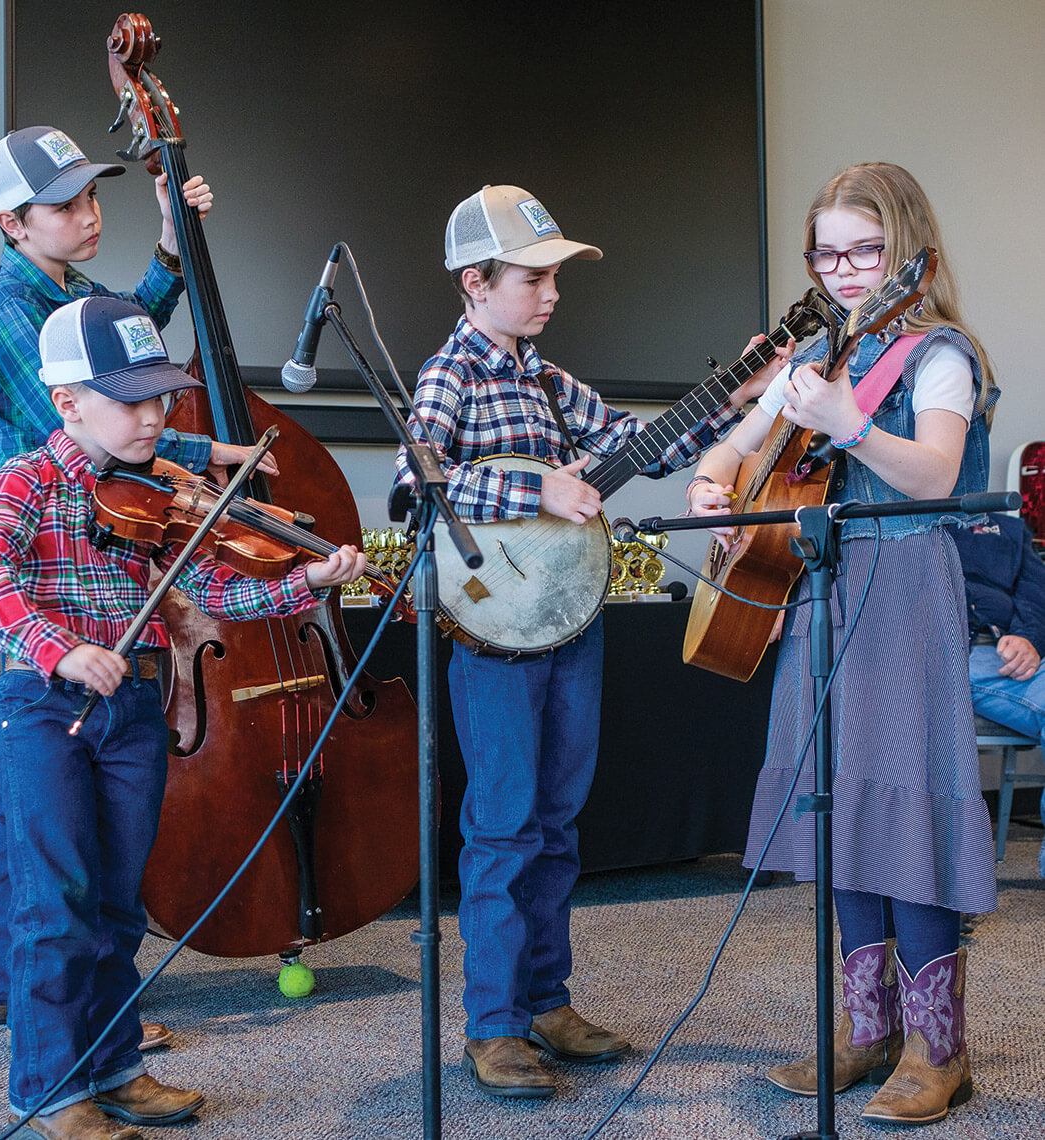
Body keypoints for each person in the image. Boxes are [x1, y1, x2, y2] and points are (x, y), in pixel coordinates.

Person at [393, 184, 782, 1099]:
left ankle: (546, 1000)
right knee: (502, 828)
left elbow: (647, 446)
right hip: (496, 640)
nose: (553, 293)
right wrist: (537, 494)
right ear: (474, 282)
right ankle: (493, 1027)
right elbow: (418, 493)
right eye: (534, 278)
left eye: (555, 277)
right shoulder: (451, 375)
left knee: (559, 823)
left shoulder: (548, 380)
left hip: (572, 625)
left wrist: (746, 389)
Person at [0, 295, 367, 1140]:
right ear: (69, 401)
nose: (153, 417)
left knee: (116, 901)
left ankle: (112, 1065)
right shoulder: (26, 481)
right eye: (131, 400)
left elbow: (212, 588)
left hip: (136, 706)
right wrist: (60, 649)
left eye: (158, 398)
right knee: (55, 901)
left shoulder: (149, 492)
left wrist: (307, 585)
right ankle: (47, 1086)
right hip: (46, 708)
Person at [687, 161, 1000, 1126]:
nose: (846, 268)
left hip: (905, 586)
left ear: (907, 250)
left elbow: (934, 473)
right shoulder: (814, 362)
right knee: (840, 805)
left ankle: (936, 1051)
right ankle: (866, 1032)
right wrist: (714, 488)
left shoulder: (939, 353)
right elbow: (729, 449)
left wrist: (848, 422)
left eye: (865, 249)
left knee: (905, 808)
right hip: (821, 593)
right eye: (828, 252)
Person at [0, 124, 271, 1044]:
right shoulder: (11, 310)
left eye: (94, 198)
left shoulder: (69, 292)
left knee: (53, 817)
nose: (90, 215)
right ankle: (24, 988)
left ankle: (50, 995)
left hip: (101, 549)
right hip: (47, 565)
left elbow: (126, 332)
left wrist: (173, 251)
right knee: (42, 817)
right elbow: (84, 418)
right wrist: (195, 448)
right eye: (66, 206)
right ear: (13, 223)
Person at [950, 512, 1045, 875]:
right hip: (958, 651)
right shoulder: (908, 520)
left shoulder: (1005, 526)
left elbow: (1036, 591)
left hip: (1012, 645)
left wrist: (1029, 638)